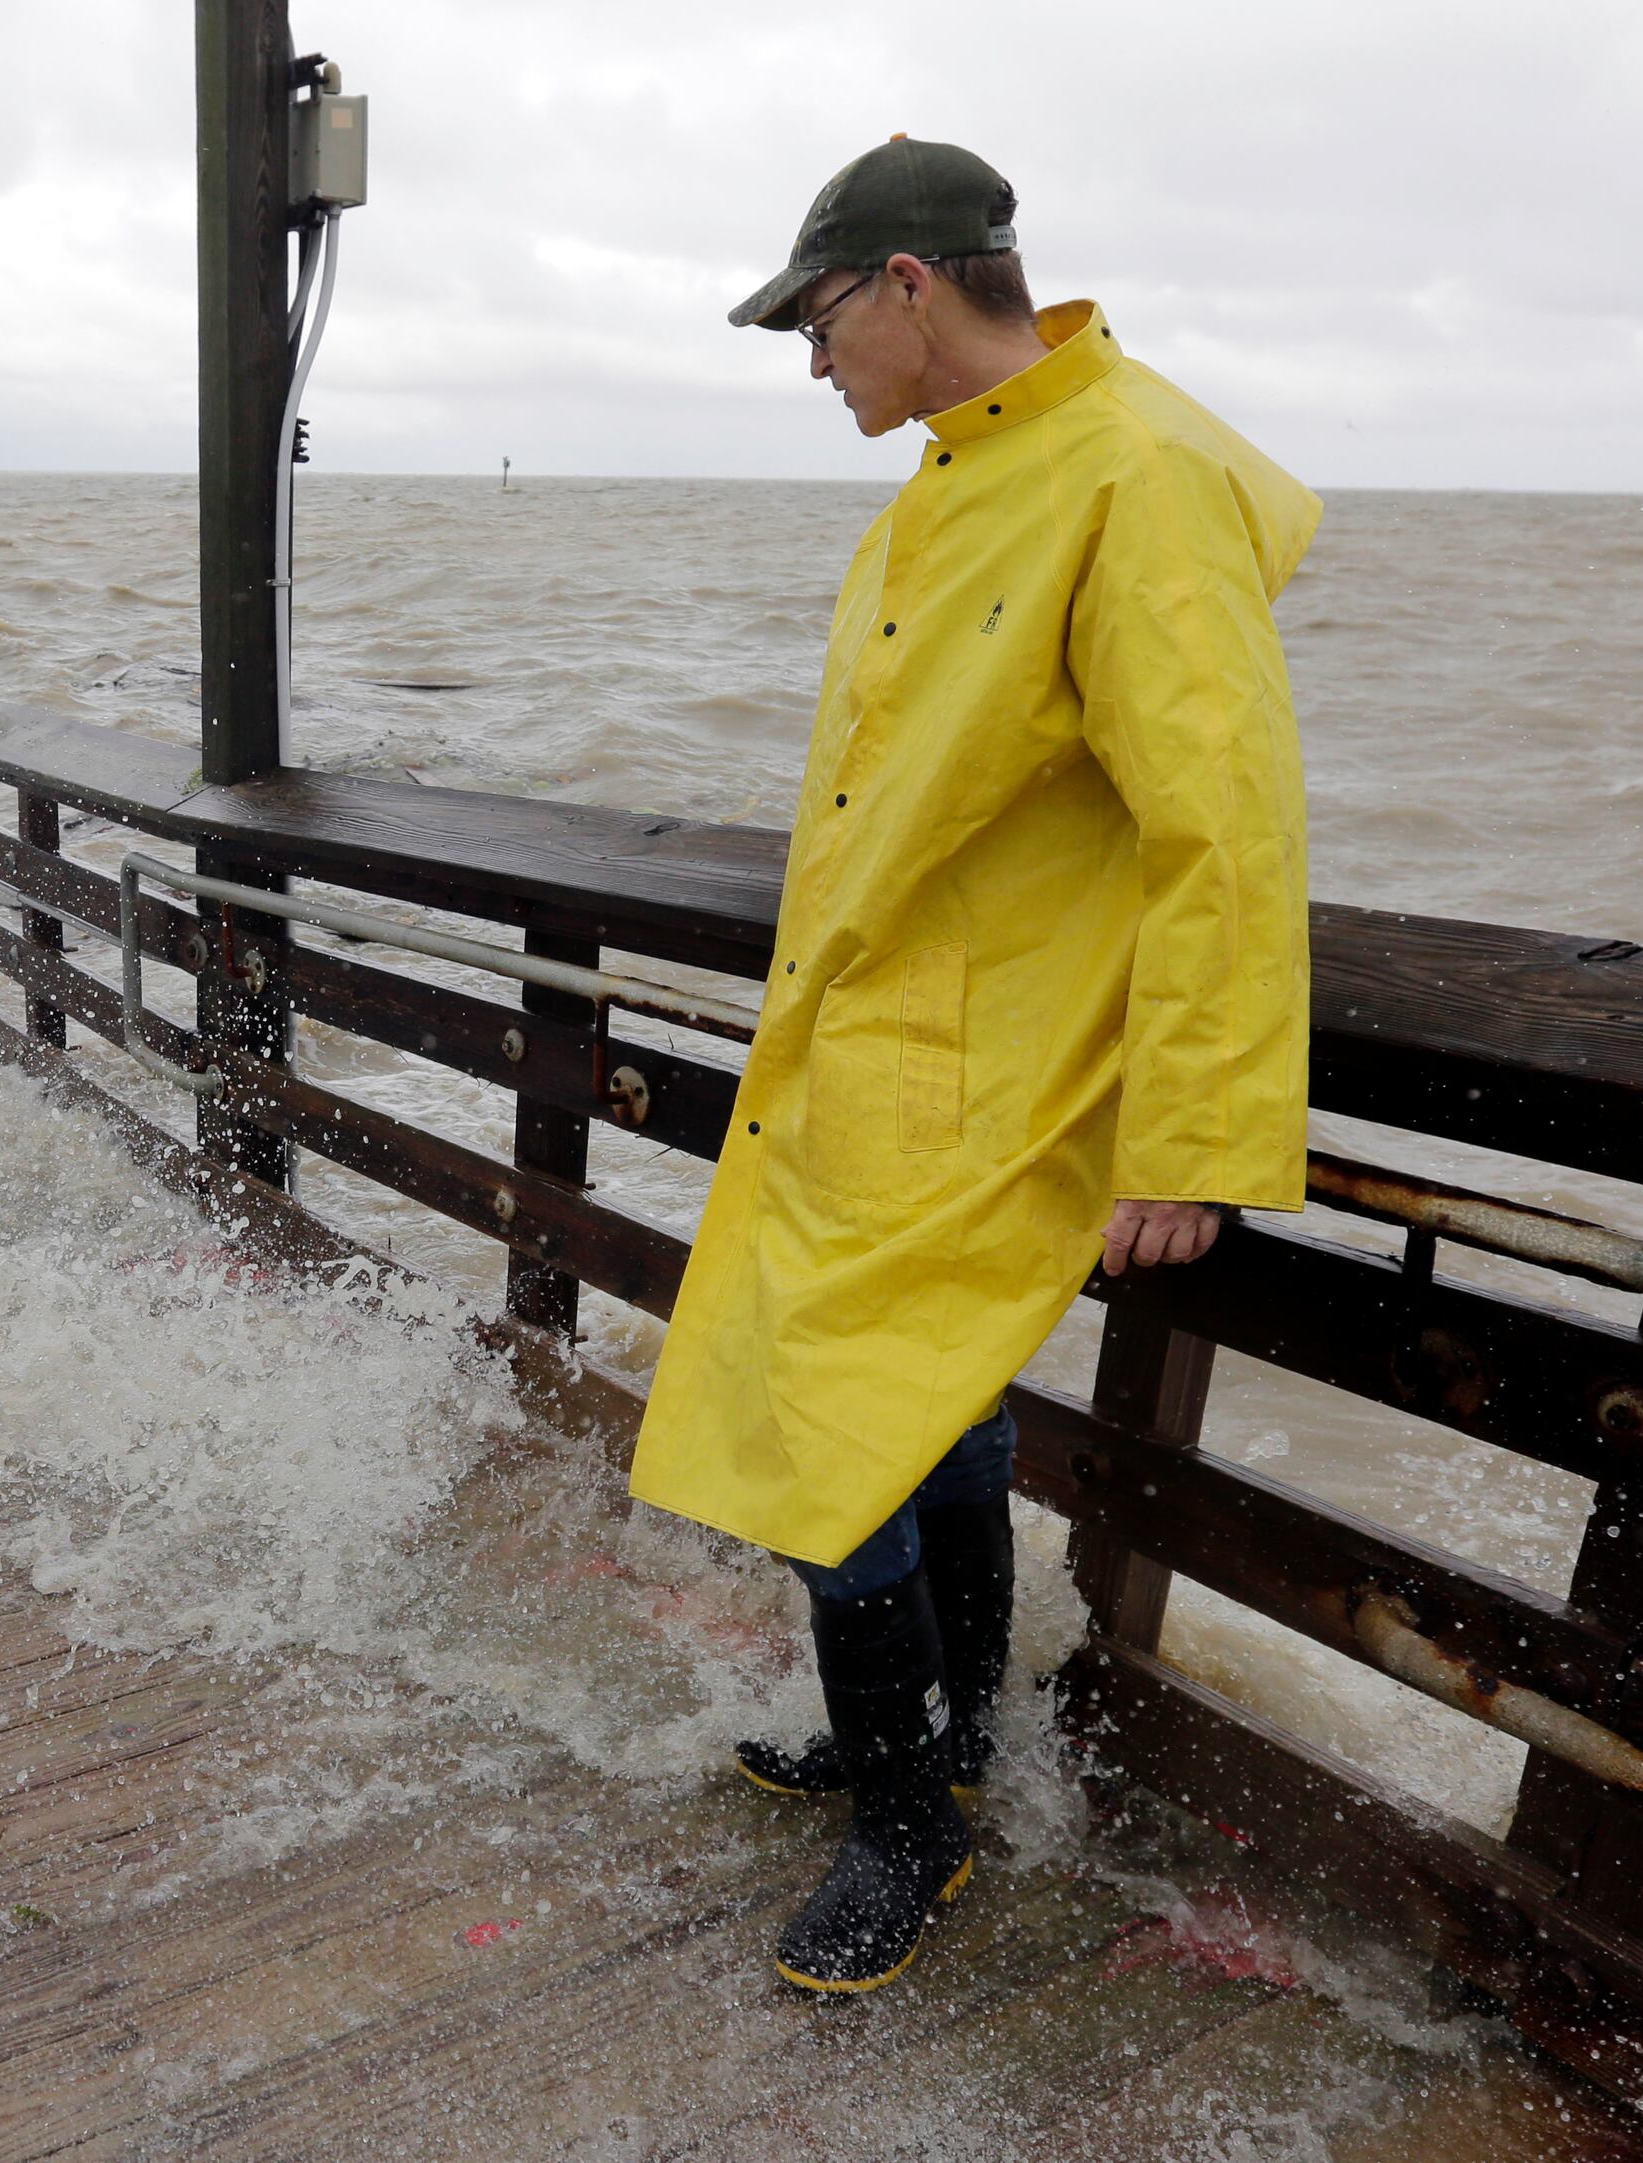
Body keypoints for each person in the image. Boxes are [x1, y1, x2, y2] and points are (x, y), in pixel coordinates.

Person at [633, 134, 1319, 1993]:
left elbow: (1227, 834)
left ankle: (910, 1826)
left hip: (994, 1079)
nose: (810, 359)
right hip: (874, 1057)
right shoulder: (957, 484)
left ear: (912, 287)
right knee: (922, 1409)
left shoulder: (1140, 477)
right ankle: (946, 1745)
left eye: (819, 319)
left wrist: (1190, 1141)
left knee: (834, 1436)